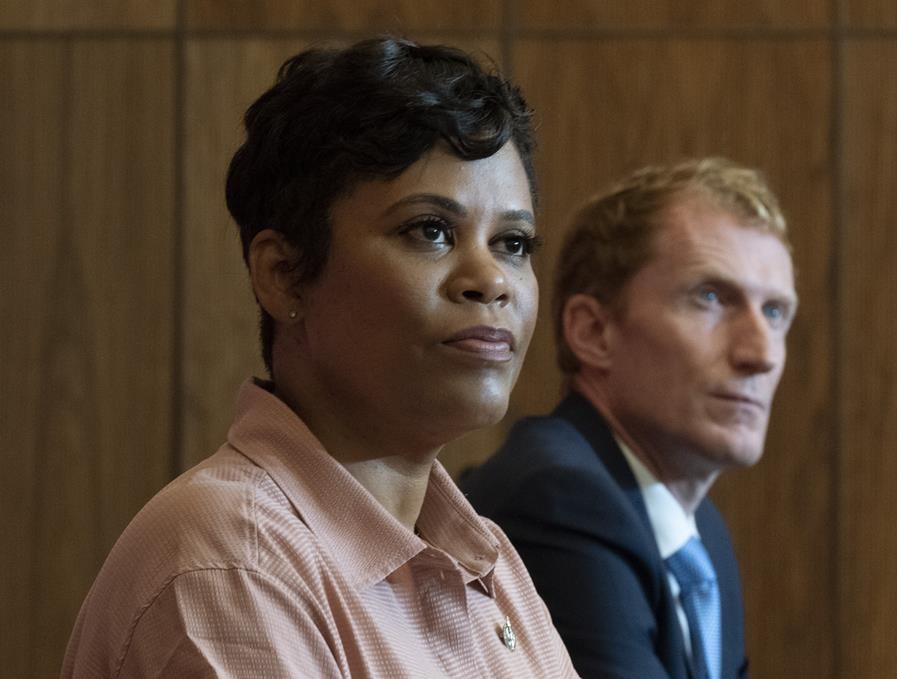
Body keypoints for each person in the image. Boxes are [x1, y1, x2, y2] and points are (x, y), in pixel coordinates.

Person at [61, 36, 577, 678]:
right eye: (430, 231)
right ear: (283, 275)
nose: (491, 280)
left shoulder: (487, 558)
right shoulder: (235, 562)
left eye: (513, 243)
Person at [463, 158, 798, 679]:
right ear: (593, 332)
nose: (761, 354)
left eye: (774, 312)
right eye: (711, 298)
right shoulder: (560, 499)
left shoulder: (703, 536)